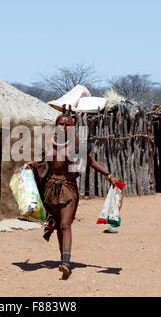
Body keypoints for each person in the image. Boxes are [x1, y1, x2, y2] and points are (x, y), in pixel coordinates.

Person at [28, 107, 117, 279]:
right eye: (60, 124)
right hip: (51, 188)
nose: (63, 127)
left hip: (68, 188)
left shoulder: (75, 145)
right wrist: (33, 163)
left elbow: (90, 162)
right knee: (59, 226)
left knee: (65, 225)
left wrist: (109, 176)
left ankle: (66, 264)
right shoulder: (49, 142)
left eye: (67, 125)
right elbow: (44, 159)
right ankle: (63, 258)